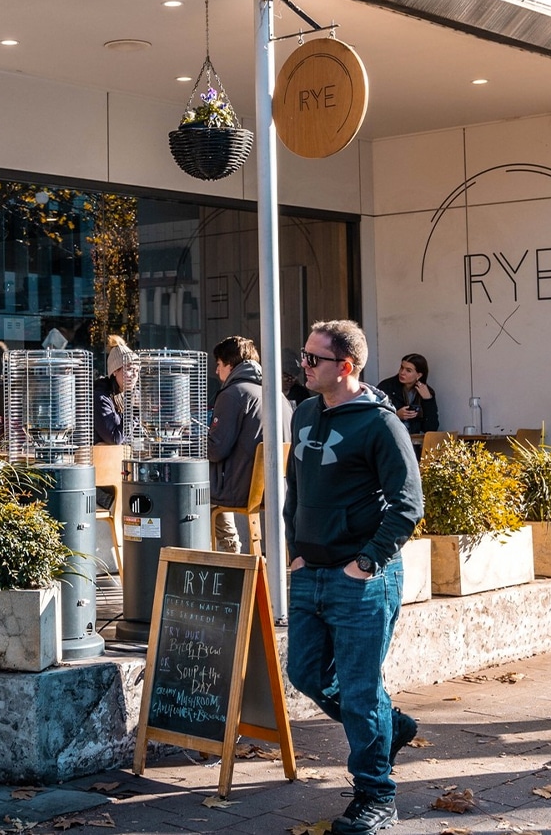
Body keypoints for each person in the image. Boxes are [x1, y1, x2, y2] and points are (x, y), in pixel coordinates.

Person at [283, 320, 423, 835]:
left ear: (345, 367)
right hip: (311, 572)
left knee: (361, 691)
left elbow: (408, 505)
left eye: (313, 359)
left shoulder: (379, 424)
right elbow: (295, 489)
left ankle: (375, 796)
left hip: (361, 578)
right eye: (304, 356)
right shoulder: (302, 413)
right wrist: (296, 552)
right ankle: (393, 728)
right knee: (306, 674)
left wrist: (365, 564)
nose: (304, 365)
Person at [208, 335, 292, 553]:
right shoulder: (277, 394)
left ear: (230, 364)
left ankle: (230, 554)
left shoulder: (233, 394)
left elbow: (216, 449)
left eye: (218, 365)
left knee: (194, 491)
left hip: (242, 489)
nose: (217, 372)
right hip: (276, 488)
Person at [377, 353, 438, 436]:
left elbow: (431, 428)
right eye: (402, 368)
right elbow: (375, 417)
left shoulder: (426, 392)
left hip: (415, 442)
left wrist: (428, 400)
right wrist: (396, 415)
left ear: (419, 375)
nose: (402, 373)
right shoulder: (386, 387)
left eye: (408, 370)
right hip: (390, 437)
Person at [94, 335, 137, 446]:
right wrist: (135, 411)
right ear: (114, 371)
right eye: (129, 369)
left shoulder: (128, 395)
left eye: (137, 370)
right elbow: (114, 438)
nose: (134, 375)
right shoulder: (100, 397)